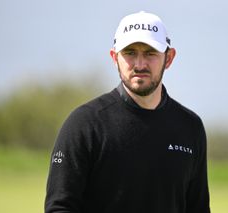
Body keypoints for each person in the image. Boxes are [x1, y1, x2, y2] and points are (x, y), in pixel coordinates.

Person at [45, 11, 210, 213]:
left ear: (169, 58)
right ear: (115, 57)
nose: (140, 64)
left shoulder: (190, 127)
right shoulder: (84, 124)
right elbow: (60, 208)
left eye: (150, 53)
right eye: (130, 53)